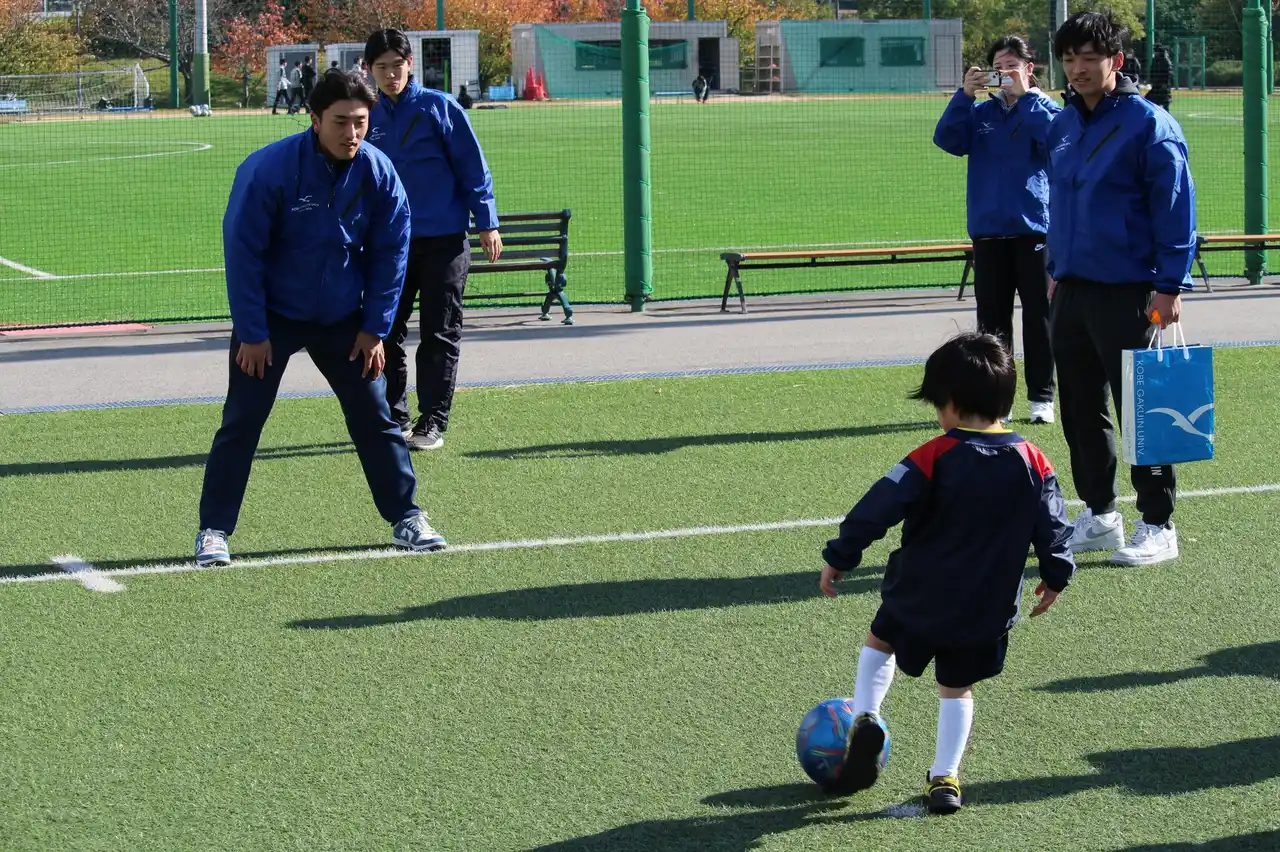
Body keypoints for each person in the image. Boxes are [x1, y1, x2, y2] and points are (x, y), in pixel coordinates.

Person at [194, 69, 447, 568]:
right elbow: (243, 252)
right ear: (313, 119)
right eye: (340, 122)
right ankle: (214, 531)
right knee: (242, 422)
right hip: (272, 319)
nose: (351, 133)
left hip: (345, 322)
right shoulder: (268, 170)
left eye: (360, 122)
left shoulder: (378, 172)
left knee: (376, 419)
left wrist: (375, 329)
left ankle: (407, 517)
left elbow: (391, 253)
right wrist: (252, 332)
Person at [819, 331, 1075, 815]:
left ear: (952, 404)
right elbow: (1056, 523)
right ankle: (945, 778)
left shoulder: (933, 455)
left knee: (880, 641)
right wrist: (1056, 574)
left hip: (918, 592)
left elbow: (877, 507)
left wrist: (841, 554)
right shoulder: (1034, 460)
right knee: (957, 688)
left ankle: (867, 716)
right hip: (986, 604)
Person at [1046, 10, 1196, 566]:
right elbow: (1058, 202)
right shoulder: (1062, 124)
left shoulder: (1149, 124)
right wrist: (1053, 268)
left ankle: (1158, 524)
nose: (1078, 68)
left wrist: (1169, 284)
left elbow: (1177, 211)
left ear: (1116, 61)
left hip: (1133, 291)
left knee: (1145, 408)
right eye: (1069, 58)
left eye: (1090, 58)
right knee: (1080, 408)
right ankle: (1101, 513)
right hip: (1072, 290)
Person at [364, 28, 502, 451]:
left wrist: (487, 222)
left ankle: (433, 420)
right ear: (369, 70)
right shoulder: (367, 115)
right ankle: (395, 416)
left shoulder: (439, 107)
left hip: (444, 240)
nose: (390, 74)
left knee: (439, 333)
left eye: (397, 65)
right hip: (390, 245)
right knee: (385, 332)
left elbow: (472, 168)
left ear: (411, 64)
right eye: (381, 67)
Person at [933, 35, 1060, 425]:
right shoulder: (980, 114)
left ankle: (1042, 397)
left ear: (1028, 69)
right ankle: (996, 402)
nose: (1004, 73)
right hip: (988, 234)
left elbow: (1057, 140)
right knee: (991, 324)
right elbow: (947, 140)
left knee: (1039, 319)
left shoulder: (1043, 108)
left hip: (1033, 232)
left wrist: (1026, 97)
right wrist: (963, 96)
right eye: (997, 67)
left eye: (1011, 65)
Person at [1146, 45, 1173, 110]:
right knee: (1149, 101)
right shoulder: (1155, 60)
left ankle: (1168, 118)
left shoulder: (1165, 61)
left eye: (1156, 51)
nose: (1155, 52)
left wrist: (1165, 84)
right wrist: (1151, 81)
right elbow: (1152, 71)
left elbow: (1168, 74)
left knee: (1165, 105)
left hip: (1163, 87)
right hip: (1156, 86)